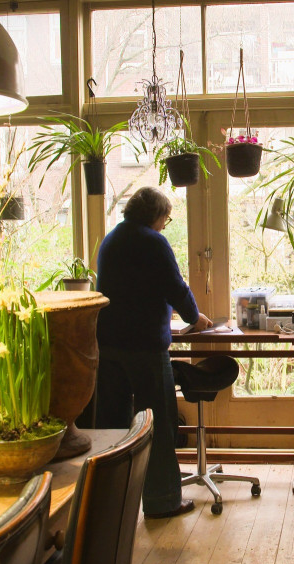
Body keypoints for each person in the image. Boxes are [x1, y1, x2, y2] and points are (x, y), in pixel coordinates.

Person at [94, 186, 211, 519]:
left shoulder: (111, 240)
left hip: (109, 345)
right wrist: (195, 317)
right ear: (156, 215)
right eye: (166, 218)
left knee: (113, 425)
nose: (165, 224)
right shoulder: (153, 241)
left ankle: (110, 502)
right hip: (145, 346)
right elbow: (175, 287)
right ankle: (162, 501)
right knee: (157, 424)